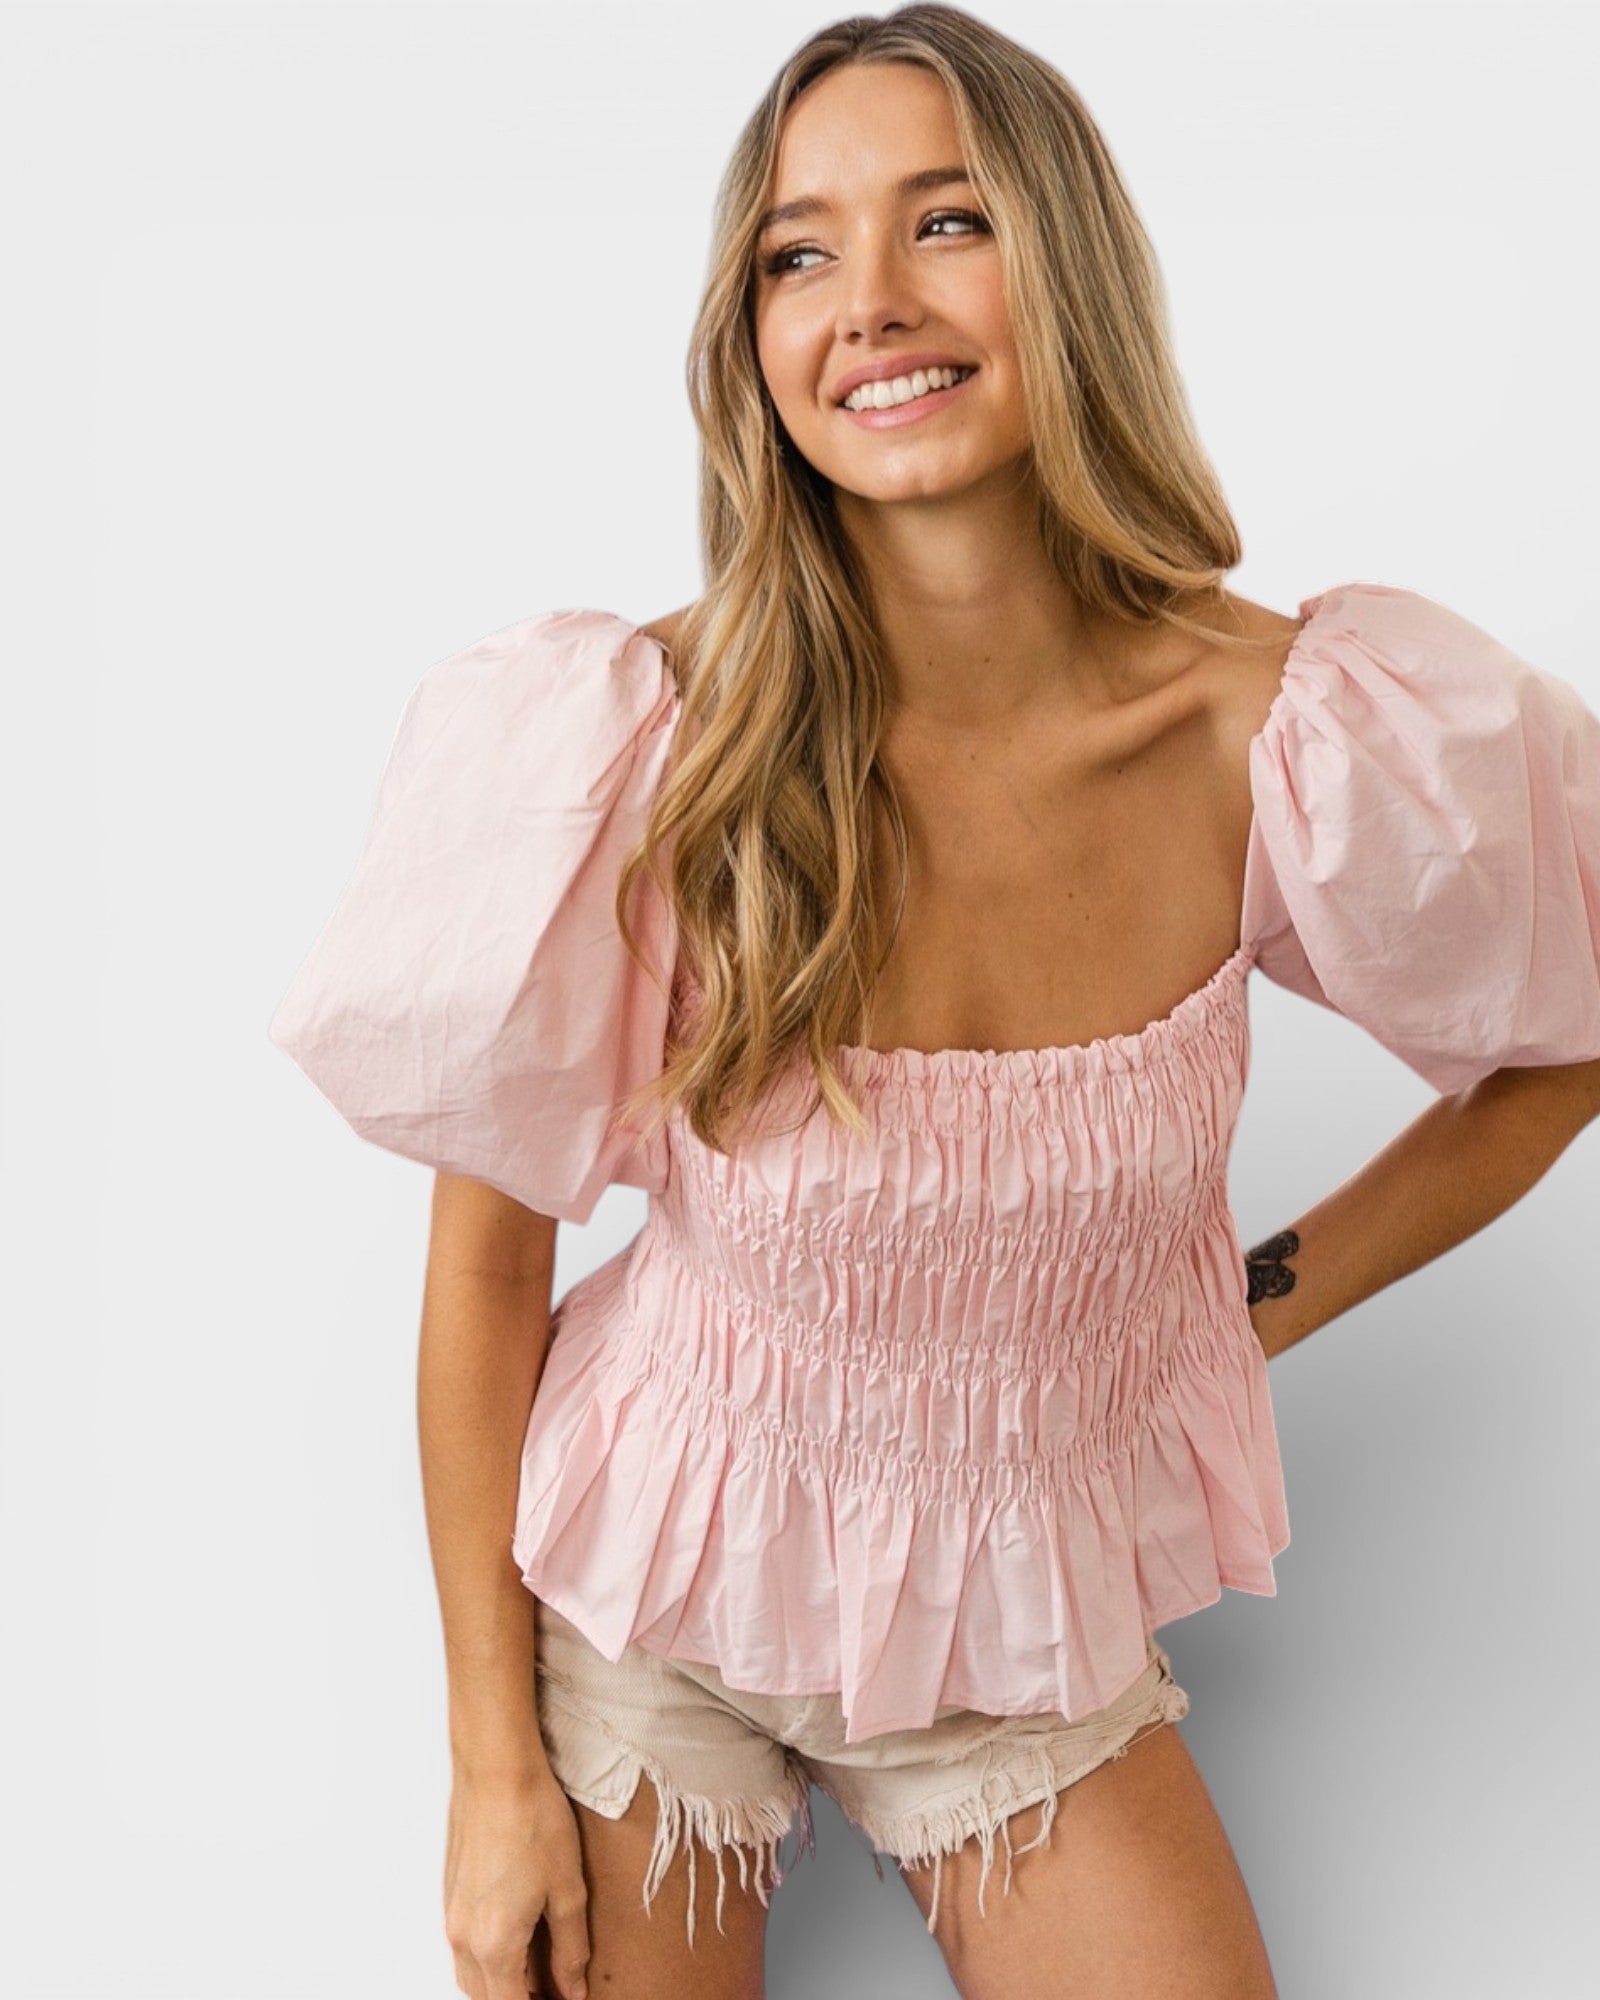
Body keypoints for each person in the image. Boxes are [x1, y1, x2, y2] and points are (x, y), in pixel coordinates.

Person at [267, 7, 1600, 1997]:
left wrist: (1248, 1299)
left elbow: (1558, 1038)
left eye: (943, 223)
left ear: (1060, 259)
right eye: (798, 253)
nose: (867, 305)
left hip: (1016, 1617)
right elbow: (483, 1282)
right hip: (655, 1586)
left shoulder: (1286, 728)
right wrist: (490, 1771)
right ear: (750, 337)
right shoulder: (640, 745)